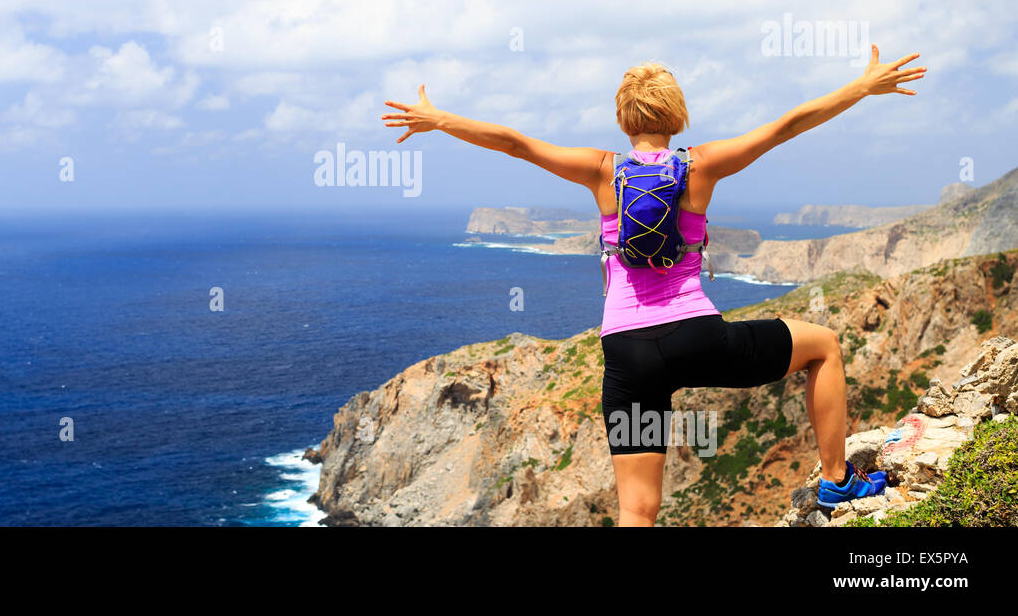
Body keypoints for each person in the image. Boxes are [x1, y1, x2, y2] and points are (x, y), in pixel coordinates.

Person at [380, 44, 926, 526]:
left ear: (623, 118)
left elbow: (516, 144)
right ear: (677, 113)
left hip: (626, 352)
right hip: (696, 337)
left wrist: (440, 118)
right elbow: (787, 126)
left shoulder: (600, 170)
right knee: (824, 345)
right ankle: (837, 478)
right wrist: (862, 84)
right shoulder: (701, 165)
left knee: (637, 510)